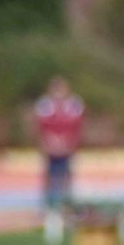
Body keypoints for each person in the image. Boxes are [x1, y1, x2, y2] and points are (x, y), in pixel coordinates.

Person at [35, 76, 84, 210]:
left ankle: (67, 204)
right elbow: (41, 127)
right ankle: (48, 204)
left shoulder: (74, 105)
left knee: (66, 175)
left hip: (67, 147)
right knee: (50, 175)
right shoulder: (45, 105)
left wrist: (70, 144)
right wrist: (47, 143)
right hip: (50, 147)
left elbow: (77, 126)